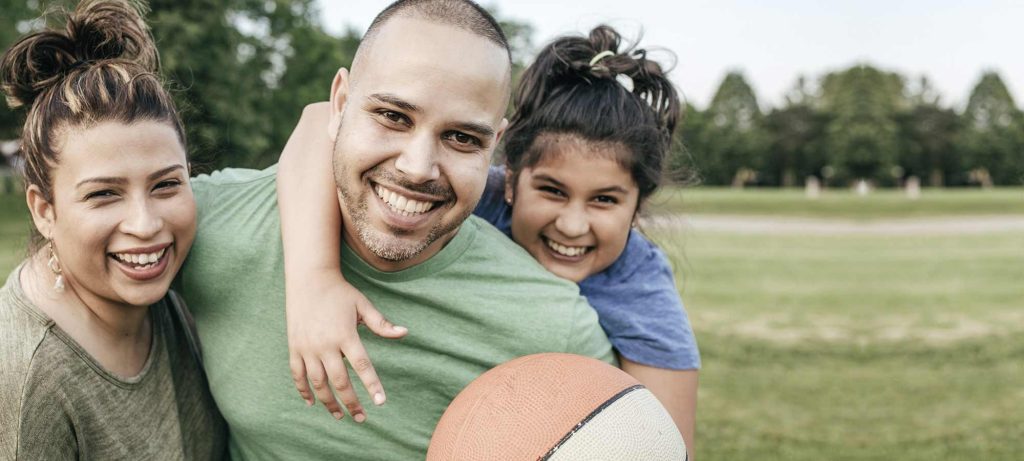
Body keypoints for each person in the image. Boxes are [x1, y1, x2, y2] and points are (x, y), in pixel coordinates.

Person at [174, 0, 614, 458]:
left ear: (494, 146)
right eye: (393, 117)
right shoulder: (208, 223)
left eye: (462, 138)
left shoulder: (553, 325)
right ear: (340, 102)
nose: (418, 168)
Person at [284, 24, 700, 458]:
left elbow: (664, 444)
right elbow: (320, 119)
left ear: (637, 207)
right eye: (552, 191)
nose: (573, 225)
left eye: (604, 200)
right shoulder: (459, 193)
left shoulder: (643, 293)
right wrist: (314, 281)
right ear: (510, 182)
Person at [0, 1, 225, 458]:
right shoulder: (30, 380)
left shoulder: (171, 279)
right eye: (103, 194)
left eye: (165, 184)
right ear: (45, 210)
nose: (146, 226)